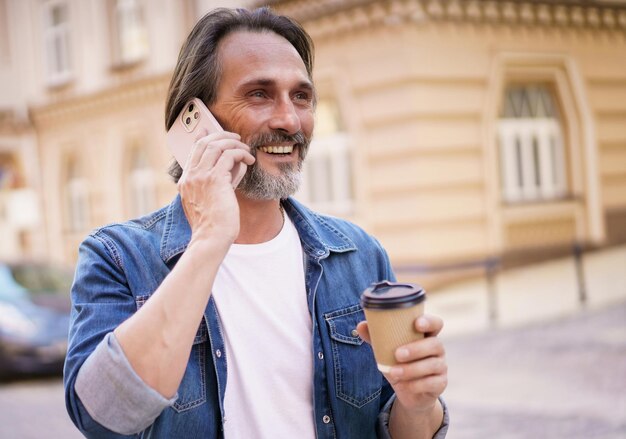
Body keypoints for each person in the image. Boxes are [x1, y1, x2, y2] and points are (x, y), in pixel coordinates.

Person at [64, 7, 449, 439]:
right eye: (259, 94)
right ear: (197, 120)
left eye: (301, 97)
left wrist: (419, 404)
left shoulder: (359, 254)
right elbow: (103, 418)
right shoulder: (117, 256)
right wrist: (209, 239)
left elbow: (394, 426)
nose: (289, 119)